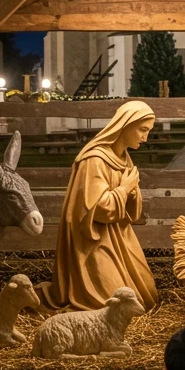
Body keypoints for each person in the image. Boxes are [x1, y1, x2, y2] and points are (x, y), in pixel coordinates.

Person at [37, 100, 158, 313]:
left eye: (148, 131)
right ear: (126, 125)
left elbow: (130, 213)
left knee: (147, 295)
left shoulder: (124, 158)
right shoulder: (94, 160)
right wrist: (124, 188)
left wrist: (131, 192)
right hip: (92, 241)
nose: (145, 138)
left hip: (118, 235)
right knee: (114, 303)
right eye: (142, 130)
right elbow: (99, 209)